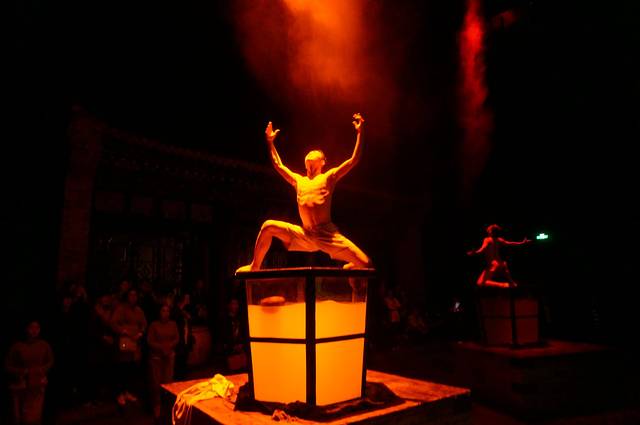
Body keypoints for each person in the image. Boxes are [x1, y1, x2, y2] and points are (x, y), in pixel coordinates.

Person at [236, 113, 372, 272]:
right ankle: (255, 266)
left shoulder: (329, 177)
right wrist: (270, 142)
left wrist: (360, 133)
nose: (310, 154)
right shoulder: (298, 180)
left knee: (367, 264)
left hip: (327, 235)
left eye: (315, 154)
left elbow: (354, 159)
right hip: (305, 234)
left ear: (322, 162)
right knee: (268, 226)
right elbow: (278, 165)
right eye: (309, 154)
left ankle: (351, 268)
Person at [5, 319, 54, 425]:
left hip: (38, 384)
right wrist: (23, 371)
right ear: (26, 329)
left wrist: (42, 369)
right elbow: (8, 365)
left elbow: (50, 361)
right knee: (19, 415)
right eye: (32, 327)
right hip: (20, 385)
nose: (34, 330)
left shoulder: (44, 345)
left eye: (37, 327)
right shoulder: (17, 346)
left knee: (33, 416)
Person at [111, 288, 147, 406]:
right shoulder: (121, 309)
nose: (133, 297)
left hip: (135, 342)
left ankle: (127, 392)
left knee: (131, 368)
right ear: (127, 297)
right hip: (125, 341)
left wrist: (140, 333)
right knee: (122, 368)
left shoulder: (139, 310)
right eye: (131, 295)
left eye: (135, 295)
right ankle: (120, 393)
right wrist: (124, 331)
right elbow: (113, 323)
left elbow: (144, 324)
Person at [147, 304, 179, 422]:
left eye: (167, 311)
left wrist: (169, 347)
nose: (165, 313)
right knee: (156, 383)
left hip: (169, 356)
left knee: (168, 382)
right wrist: (161, 347)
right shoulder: (154, 325)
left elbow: (177, 338)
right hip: (157, 357)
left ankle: (168, 407)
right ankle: (157, 407)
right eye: (163, 311)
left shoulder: (173, 324)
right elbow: (150, 340)